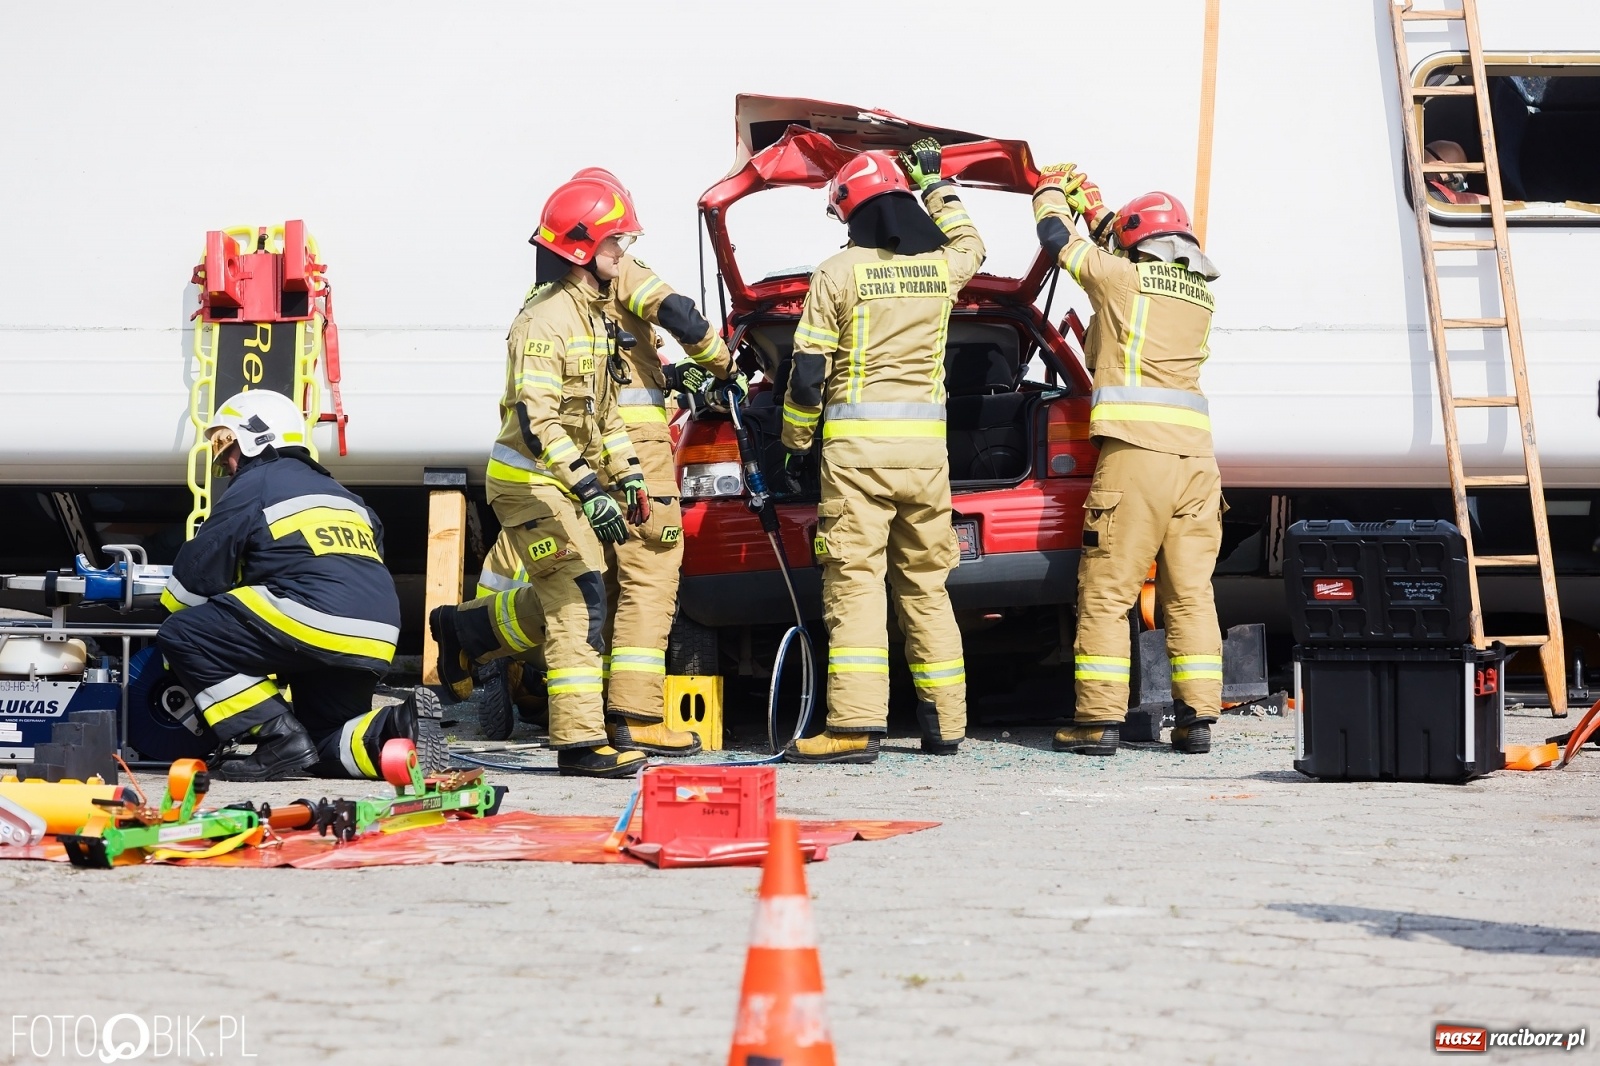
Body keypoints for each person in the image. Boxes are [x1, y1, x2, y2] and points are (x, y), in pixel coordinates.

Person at [429, 174, 654, 779]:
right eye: (616, 244)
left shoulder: (593, 316)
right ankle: (579, 744)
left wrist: (628, 476)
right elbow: (536, 420)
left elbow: (603, 414)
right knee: (578, 598)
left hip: (566, 480)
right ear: (582, 249)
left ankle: (467, 629)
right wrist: (587, 486)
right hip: (529, 486)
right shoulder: (546, 320)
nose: (624, 255)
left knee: (568, 594)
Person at [776, 139, 985, 764]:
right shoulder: (940, 269)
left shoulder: (837, 274)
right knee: (927, 586)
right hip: (926, 463)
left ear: (854, 211)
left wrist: (793, 443)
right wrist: (938, 185)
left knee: (857, 586)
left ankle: (854, 728)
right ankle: (947, 727)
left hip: (859, 460)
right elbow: (973, 245)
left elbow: (808, 374)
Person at [1032, 165, 1224, 757]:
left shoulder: (1120, 282)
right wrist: (1099, 210)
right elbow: (1122, 244)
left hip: (1137, 458)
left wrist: (1049, 191)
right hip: (1196, 464)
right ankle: (1197, 721)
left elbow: (1058, 244)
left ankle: (1097, 719)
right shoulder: (1200, 292)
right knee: (1190, 592)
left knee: (1107, 590)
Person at [158, 390, 421, 782]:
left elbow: (189, 585)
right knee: (319, 744)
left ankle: (274, 734)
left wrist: (162, 623)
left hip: (313, 618)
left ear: (254, 437)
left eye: (224, 444)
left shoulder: (256, 483)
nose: (225, 461)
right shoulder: (348, 498)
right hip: (376, 636)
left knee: (184, 633)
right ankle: (396, 728)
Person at [1424, 140, 1490, 205]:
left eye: (1460, 186)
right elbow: (1487, 203)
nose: (1455, 190)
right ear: (1438, 164)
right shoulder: (1431, 190)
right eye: (1456, 180)